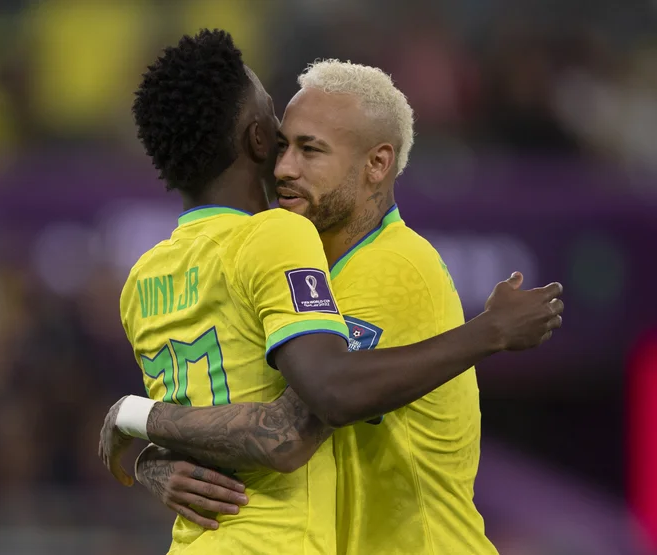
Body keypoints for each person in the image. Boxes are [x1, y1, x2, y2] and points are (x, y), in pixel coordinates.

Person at [99, 30, 563, 555]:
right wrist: (159, 458)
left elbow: (296, 422)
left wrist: (137, 418)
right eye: (281, 147)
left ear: (377, 165)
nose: (285, 169)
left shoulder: (390, 266)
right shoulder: (293, 269)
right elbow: (238, 407)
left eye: (310, 151)